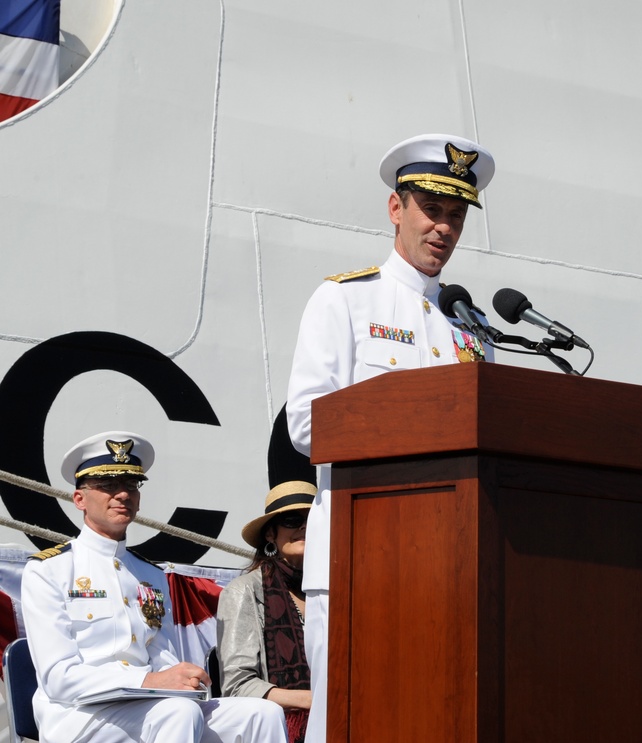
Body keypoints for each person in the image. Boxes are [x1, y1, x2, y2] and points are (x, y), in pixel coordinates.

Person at [285, 132, 496, 742]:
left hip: (450, 557)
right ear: (395, 208)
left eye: (456, 216)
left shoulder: (471, 324)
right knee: (348, 720)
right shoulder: (345, 301)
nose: (444, 228)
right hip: (361, 554)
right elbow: (306, 425)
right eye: (433, 210)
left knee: (436, 717)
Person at [20, 431, 288, 743]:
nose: (122, 494)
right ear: (79, 499)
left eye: (131, 485)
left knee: (261, 713)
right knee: (178, 713)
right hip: (78, 716)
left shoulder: (150, 574)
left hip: (151, 705)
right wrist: (150, 680)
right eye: (108, 486)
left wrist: (183, 678)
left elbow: (162, 656)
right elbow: (59, 680)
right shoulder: (48, 570)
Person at [216, 481, 316, 743]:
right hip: (276, 731)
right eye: (293, 520)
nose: (304, 527)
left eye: (314, 518)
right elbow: (237, 686)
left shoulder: (338, 590)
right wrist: (312, 700)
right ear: (270, 534)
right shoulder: (243, 591)